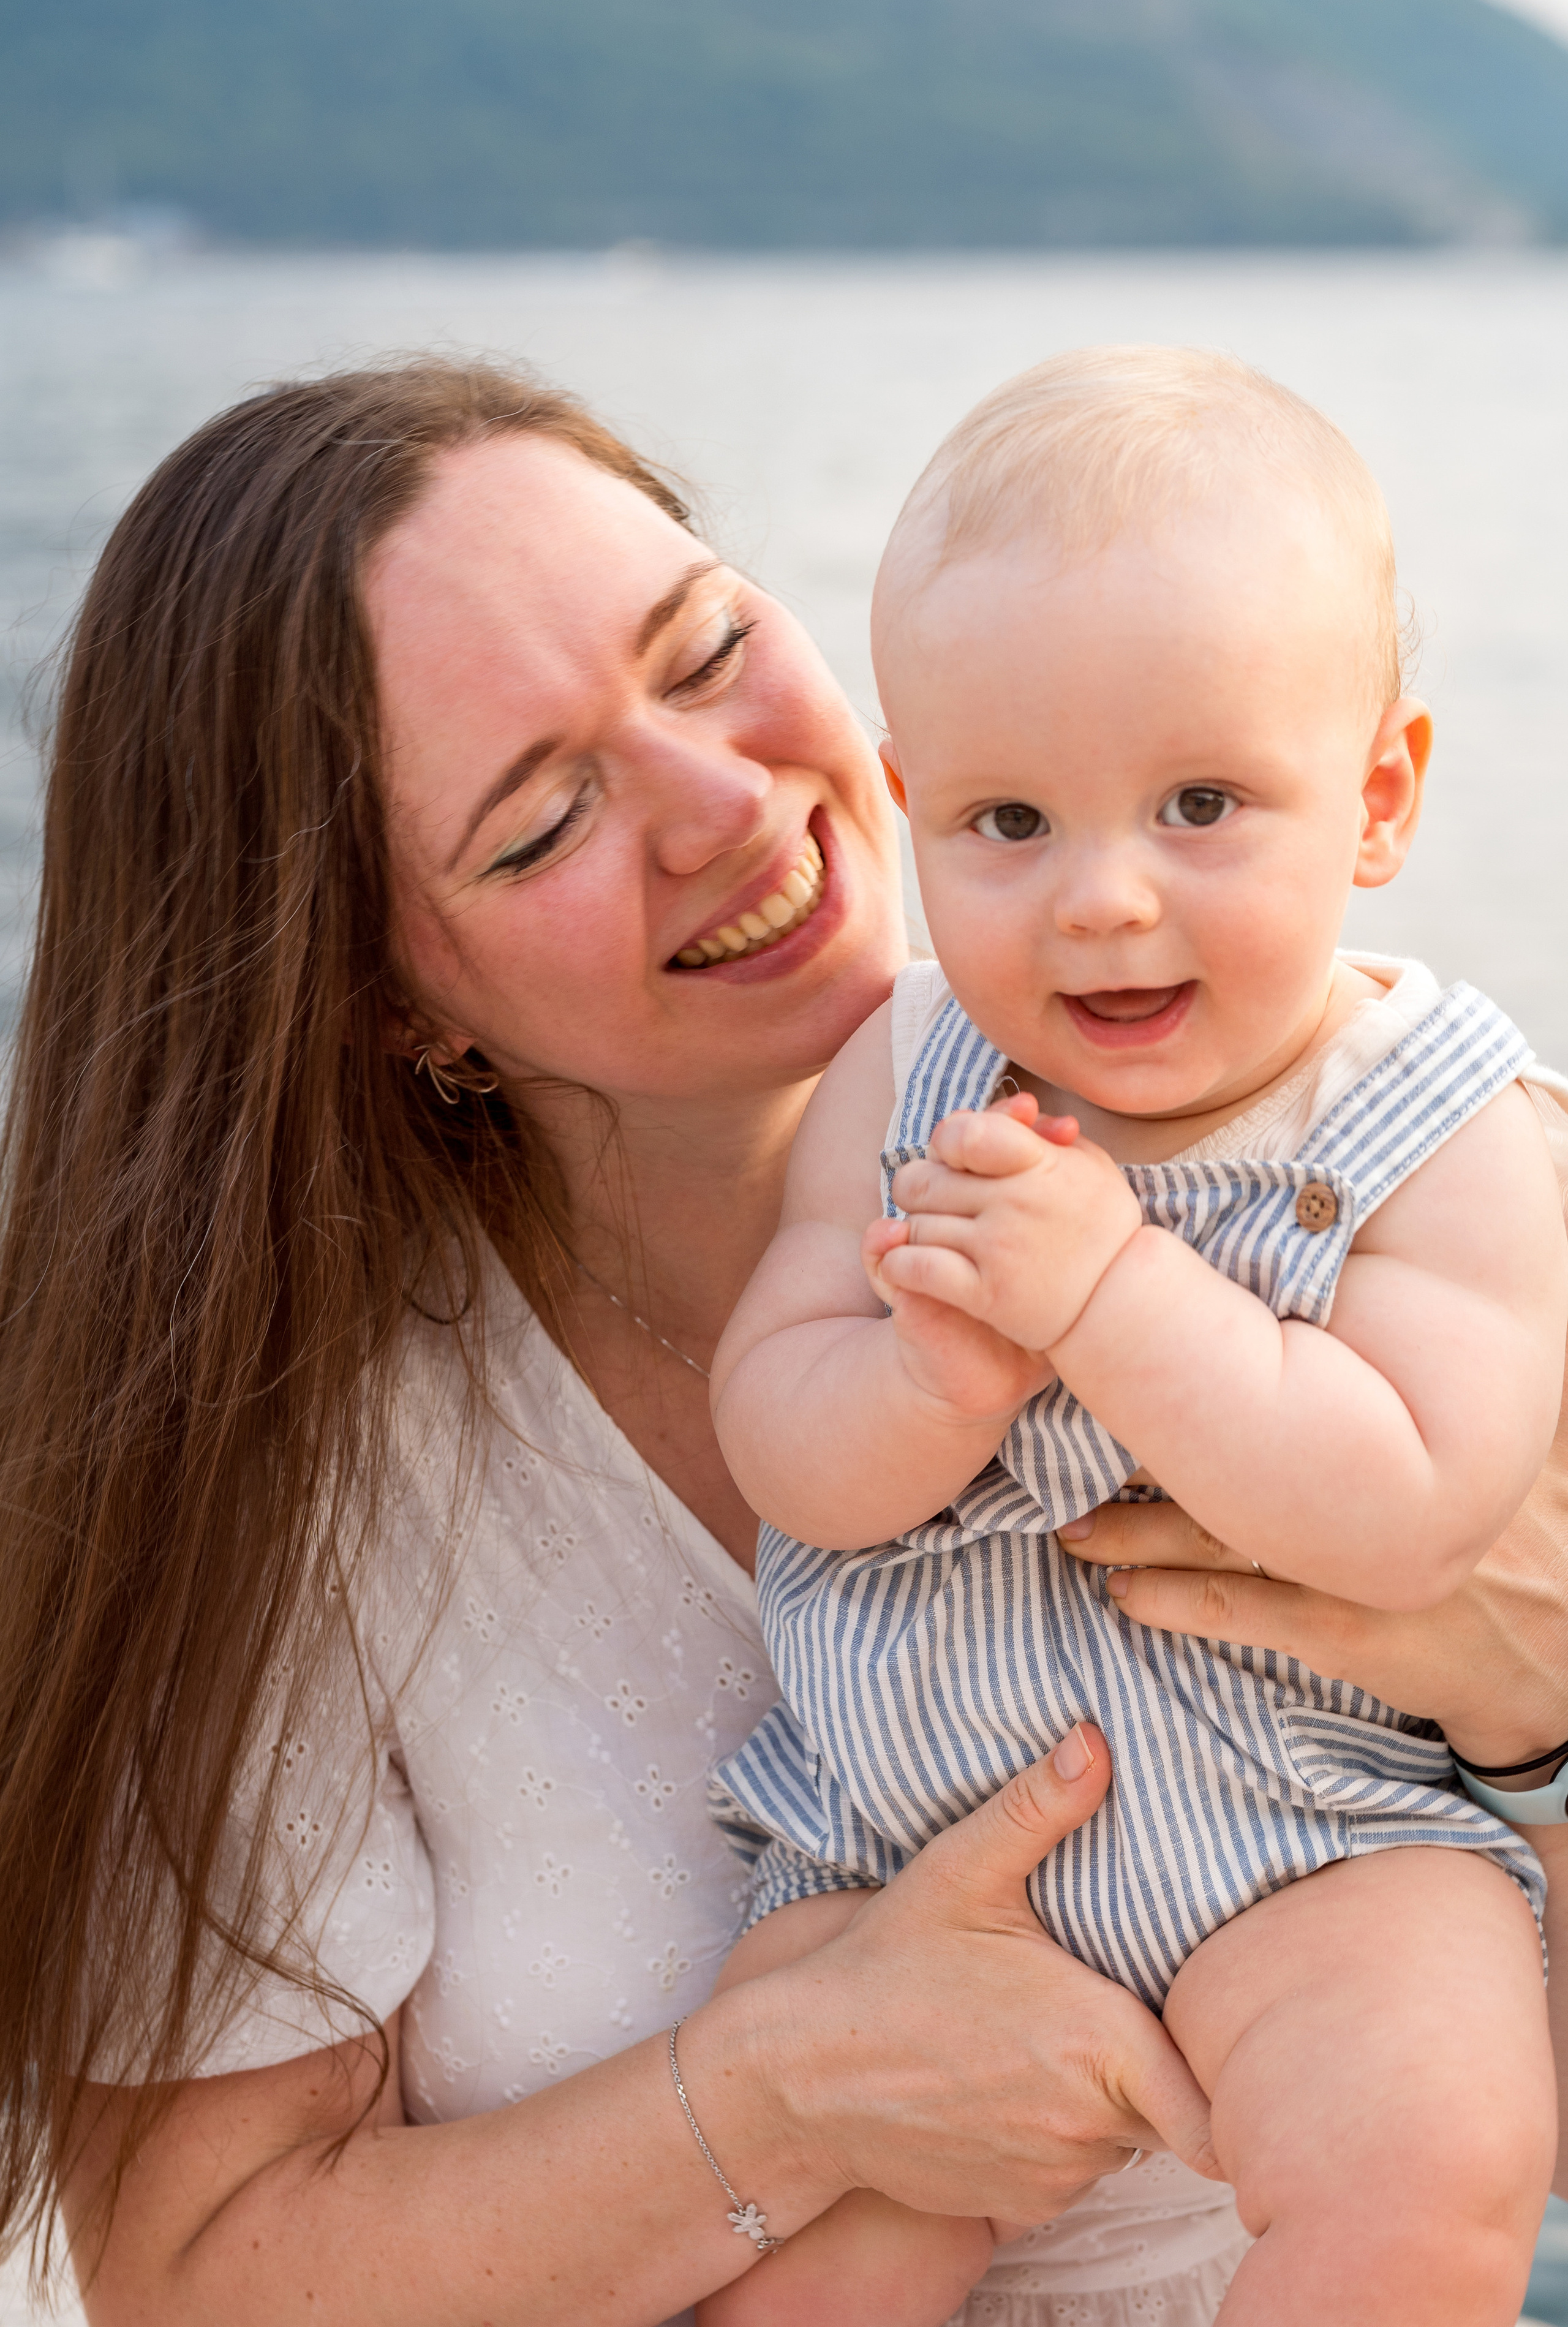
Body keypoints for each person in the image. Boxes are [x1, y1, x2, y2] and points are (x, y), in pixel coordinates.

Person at [0, 358, 1256, 2327]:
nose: (721, 803)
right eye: (541, 822)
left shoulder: (1248, 1129)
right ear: (382, 1002)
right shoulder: (277, 1461)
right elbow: (199, 2273)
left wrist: (1529, 1723)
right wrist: (801, 2088)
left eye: (705, 651)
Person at [705, 349, 1568, 2326]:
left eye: (1201, 806)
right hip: (904, 1832)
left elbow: (1414, 1506)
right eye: (1010, 820)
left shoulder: (1442, 1119)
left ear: (1378, 800)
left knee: (1436, 2153)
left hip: (1312, 1837)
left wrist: (1110, 1298)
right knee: (791, 2229)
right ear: (912, 809)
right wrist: (921, 1383)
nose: (1105, 902)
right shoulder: (906, 1066)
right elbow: (779, 1426)